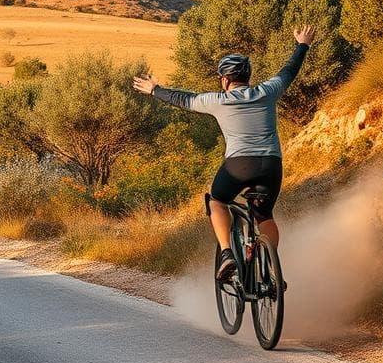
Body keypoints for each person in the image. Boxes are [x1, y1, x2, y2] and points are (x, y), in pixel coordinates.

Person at [132, 25, 315, 282]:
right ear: (247, 77)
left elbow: (183, 99)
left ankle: (228, 253)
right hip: (271, 165)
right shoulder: (268, 91)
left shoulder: (218, 100)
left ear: (225, 79)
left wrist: (155, 89)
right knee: (264, 215)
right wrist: (302, 45)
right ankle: (270, 269)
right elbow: (289, 71)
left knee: (216, 200)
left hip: (239, 165)